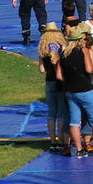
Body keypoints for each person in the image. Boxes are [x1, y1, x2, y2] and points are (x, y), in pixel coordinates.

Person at [58, 25, 93, 158]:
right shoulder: (83, 50)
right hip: (85, 88)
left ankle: (79, 150)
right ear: (79, 39)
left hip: (70, 90)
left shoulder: (64, 53)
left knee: (74, 120)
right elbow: (89, 69)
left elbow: (59, 76)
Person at [38, 23, 69, 151]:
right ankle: (61, 140)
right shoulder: (62, 48)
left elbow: (41, 69)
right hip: (60, 83)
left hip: (49, 82)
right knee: (62, 113)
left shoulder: (42, 49)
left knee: (51, 113)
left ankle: (52, 141)